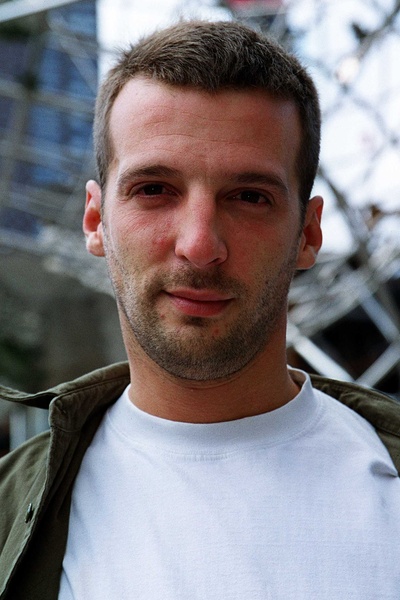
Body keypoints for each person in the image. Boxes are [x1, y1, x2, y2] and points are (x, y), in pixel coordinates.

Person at [1, 20, 400, 600]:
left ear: (308, 233)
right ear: (95, 220)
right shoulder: (10, 516)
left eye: (249, 197)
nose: (199, 244)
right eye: (154, 189)